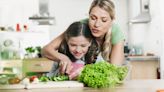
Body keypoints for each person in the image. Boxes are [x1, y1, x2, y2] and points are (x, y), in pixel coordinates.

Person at [42, 0, 125, 74]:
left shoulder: (116, 32)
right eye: (93, 18)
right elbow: (46, 50)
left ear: (112, 21)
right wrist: (63, 58)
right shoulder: (81, 27)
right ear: (88, 16)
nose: (96, 24)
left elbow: (115, 71)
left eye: (103, 20)